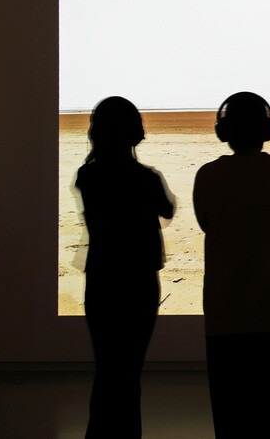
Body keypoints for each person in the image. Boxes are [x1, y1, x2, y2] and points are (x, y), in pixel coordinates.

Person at [193, 92, 270, 438]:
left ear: (223, 131)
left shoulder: (208, 176)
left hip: (225, 317)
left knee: (230, 421)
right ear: (267, 130)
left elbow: (205, 221)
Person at [74, 96, 175, 439]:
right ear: (135, 133)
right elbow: (167, 209)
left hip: (102, 279)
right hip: (139, 282)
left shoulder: (87, 175)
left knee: (106, 369)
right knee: (130, 372)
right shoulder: (145, 178)